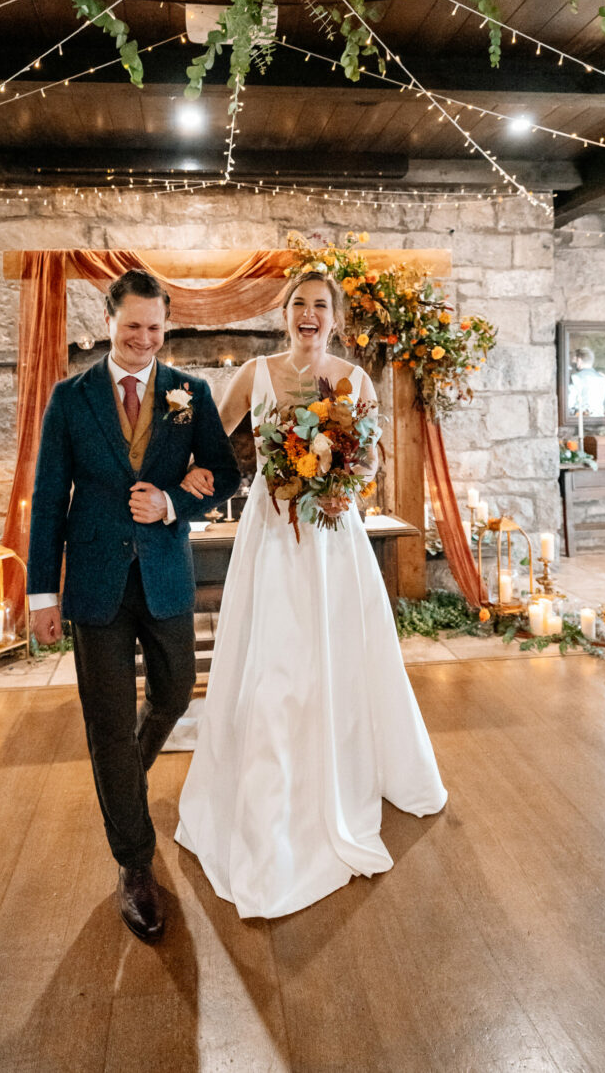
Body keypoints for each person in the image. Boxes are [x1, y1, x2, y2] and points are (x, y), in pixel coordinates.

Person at [174, 272, 447, 919]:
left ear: (334, 317)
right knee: (272, 662)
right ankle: (270, 788)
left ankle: (337, 766)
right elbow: (213, 439)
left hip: (330, 538)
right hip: (270, 534)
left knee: (333, 656)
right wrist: (178, 474)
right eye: (297, 303)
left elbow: (371, 462)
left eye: (318, 306)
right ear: (284, 314)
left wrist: (338, 482)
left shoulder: (353, 379)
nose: (307, 313)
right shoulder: (255, 373)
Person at [27, 269, 240, 943]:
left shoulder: (189, 392)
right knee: (108, 726)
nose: (144, 339)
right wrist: (41, 591)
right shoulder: (71, 398)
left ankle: (128, 771)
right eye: (131, 328)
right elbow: (47, 499)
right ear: (109, 322)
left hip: (165, 576)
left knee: (175, 694)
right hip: (93, 585)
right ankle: (134, 863)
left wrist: (174, 502)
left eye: (154, 328)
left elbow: (226, 473)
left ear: (165, 326)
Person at [568, 346, 605, 417]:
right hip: (599, 419)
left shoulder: (575, 378)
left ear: (579, 360)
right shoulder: (602, 379)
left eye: (575, 360)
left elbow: (569, 403)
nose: (573, 363)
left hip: (580, 419)